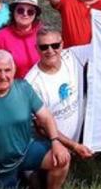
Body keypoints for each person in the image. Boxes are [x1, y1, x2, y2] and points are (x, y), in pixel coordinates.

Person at [0, 51, 85, 189]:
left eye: (7, 70)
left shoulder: (24, 89)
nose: (3, 76)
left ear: (14, 71)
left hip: (26, 151)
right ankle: (29, 179)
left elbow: (45, 117)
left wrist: (55, 142)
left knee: (62, 158)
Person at [24, 28, 93, 158]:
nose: (50, 51)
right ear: (36, 48)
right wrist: (73, 145)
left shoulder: (73, 55)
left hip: (78, 138)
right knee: (60, 162)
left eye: (55, 45)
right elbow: (42, 127)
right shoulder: (31, 83)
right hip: (51, 142)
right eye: (44, 47)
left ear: (62, 44)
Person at [0, 0, 44, 79]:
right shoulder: (1, 37)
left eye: (30, 12)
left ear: (35, 15)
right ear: (13, 12)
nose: (25, 14)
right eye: (20, 10)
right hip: (13, 88)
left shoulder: (43, 35)